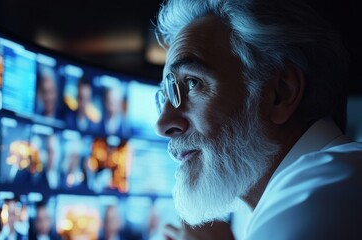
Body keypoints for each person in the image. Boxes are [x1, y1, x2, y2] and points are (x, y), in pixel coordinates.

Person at [153, 0, 362, 239]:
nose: (162, 124)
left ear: (281, 93)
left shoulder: (322, 193)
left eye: (191, 83)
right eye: (166, 95)